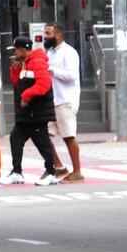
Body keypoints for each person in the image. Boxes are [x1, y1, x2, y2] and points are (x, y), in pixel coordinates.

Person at [0, 36, 59, 186]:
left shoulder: (37, 61)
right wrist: (14, 69)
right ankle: (17, 172)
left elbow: (44, 84)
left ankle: (51, 173)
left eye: (16, 50)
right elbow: (17, 83)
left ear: (23, 49)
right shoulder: (24, 63)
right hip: (28, 113)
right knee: (16, 138)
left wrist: (26, 96)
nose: (14, 53)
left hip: (36, 112)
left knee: (42, 142)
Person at [44, 24, 84, 182]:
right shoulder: (50, 52)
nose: (45, 36)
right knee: (43, 135)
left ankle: (77, 171)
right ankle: (59, 167)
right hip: (52, 100)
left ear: (58, 35)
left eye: (48, 33)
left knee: (68, 136)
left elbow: (72, 76)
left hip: (65, 100)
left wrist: (52, 70)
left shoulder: (69, 52)